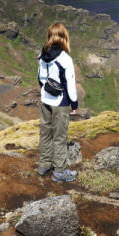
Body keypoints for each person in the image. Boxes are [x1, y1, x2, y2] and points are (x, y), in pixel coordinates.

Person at [37, 22, 80, 182]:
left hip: (45, 100)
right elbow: (70, 83)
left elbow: (40, 78)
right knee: (59, 136)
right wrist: (74, 104)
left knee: (45, 132)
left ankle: (44, 165)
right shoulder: (64, 59)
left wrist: (45, 92)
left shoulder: (42, 55)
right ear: (64, 37)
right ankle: (59, 171)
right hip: (60, 103)